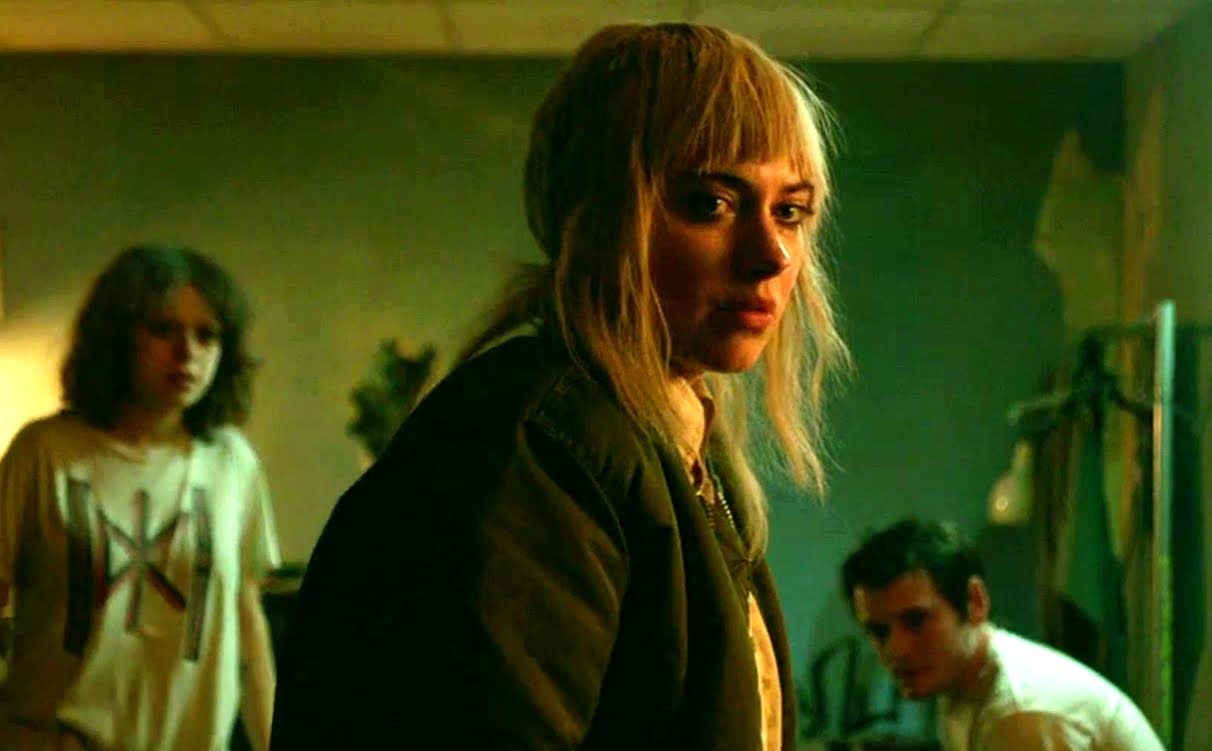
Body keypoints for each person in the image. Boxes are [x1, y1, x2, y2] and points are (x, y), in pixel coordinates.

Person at [270, 21, 848, 751]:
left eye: (790, 211)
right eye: (711, 202)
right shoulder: (531, 447)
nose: (771, 254)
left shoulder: (668, 443)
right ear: (601, 215)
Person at [0, 245, 281, 751]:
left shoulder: (231, 463)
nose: (187, 352)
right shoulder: (44, 453)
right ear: (118, 335)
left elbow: (246, 626)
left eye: (206, 335)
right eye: (163, 329)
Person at [840, 517, 1164, 751]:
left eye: (916, 621)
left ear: (975, 602)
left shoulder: (1022, 714)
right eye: (878, 631)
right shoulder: (960, 684)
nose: (895, 650)